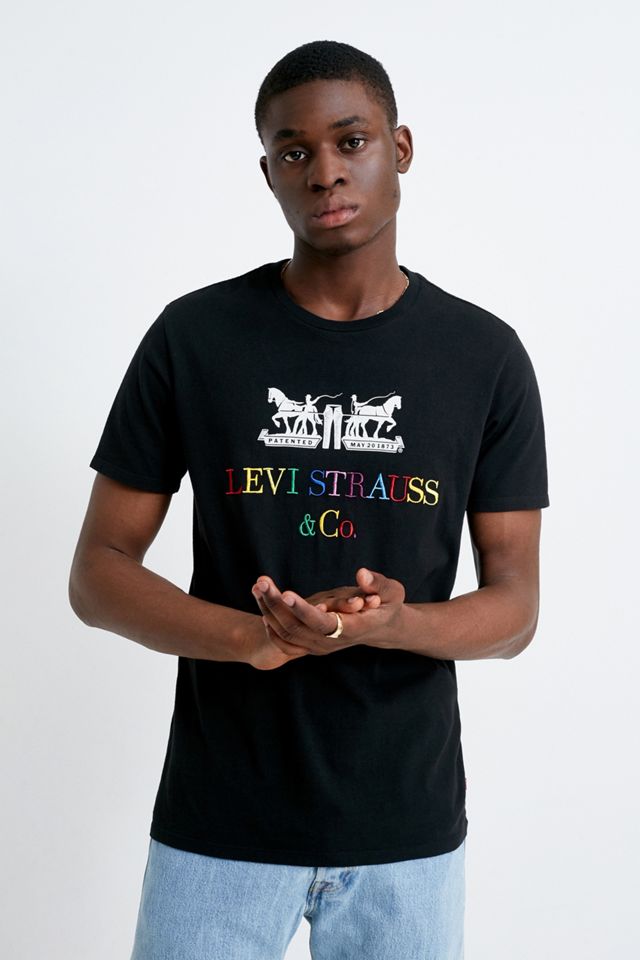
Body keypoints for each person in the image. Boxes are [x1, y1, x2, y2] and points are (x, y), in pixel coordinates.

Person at [68, 38, 549, 960]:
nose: (325, 171)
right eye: (294, 151)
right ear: (268, 174)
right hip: (219, 824)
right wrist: (251, 639)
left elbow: (516, 608)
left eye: (350, 141)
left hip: (405, 834)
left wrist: (396, 625)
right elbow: (97, 574)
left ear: (399, 148)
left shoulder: (483, 356)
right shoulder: (194, 338)